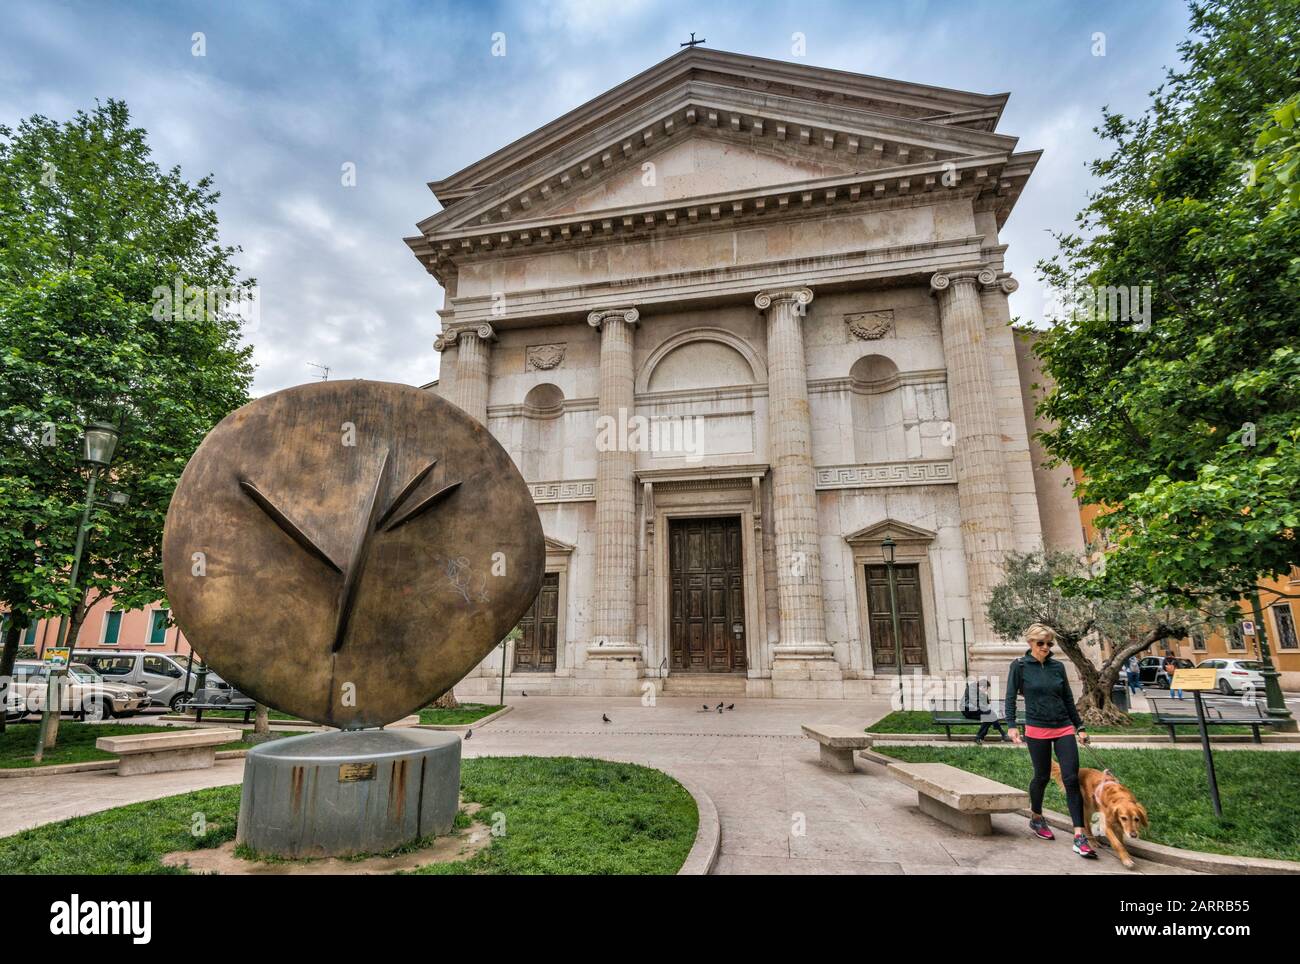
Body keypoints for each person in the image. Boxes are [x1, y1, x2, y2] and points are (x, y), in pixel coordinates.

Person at [1004, 623, 1095, 859]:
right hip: (1037, 727)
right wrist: (1012, 726)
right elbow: (1010, 697)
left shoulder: (1058, 667)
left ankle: (1079, 835)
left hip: (1063, 726)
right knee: (1042, 776)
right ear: (1030, 643)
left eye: (1049, 643)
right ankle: (1036, 816)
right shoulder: (1020, 666)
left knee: (1071, 778)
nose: (1045, 647)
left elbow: (1067, 698)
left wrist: (1080, 727)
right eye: (1041, 643)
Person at [961, 678, 1006, 745]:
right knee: (990, 715)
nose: (986, 690)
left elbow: (987, 704)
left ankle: (978, 737)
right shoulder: (971, 688)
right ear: (982, 686)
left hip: (976, 710)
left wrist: (985, 696)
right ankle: (1002, 732)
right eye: (986, 688)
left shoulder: (981, 691)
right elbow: (976, 702)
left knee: (989, 716)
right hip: (968, 710)